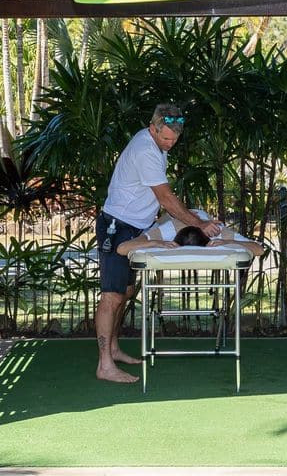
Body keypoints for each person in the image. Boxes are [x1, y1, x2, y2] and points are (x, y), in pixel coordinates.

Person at [95, 103, 222, 383]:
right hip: (118, 227)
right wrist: (198, 224)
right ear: (152, 128)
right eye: (166, 138)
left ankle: (113, 350)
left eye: (175, 139)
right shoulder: (145, 151)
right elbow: (166, 198)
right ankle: (104, 365)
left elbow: (160, 201)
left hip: (135, 228)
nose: (170, 144)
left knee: (126, 293)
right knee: (111, 296)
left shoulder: (157, 146)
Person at [116, 208, 266, 258]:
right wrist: (156, 242)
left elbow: (259, 250)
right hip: (171, 217)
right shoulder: (165, 231)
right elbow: (121, 249)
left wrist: (229, 242)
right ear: (173, 241)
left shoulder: (216, 231)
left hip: (200, 218)